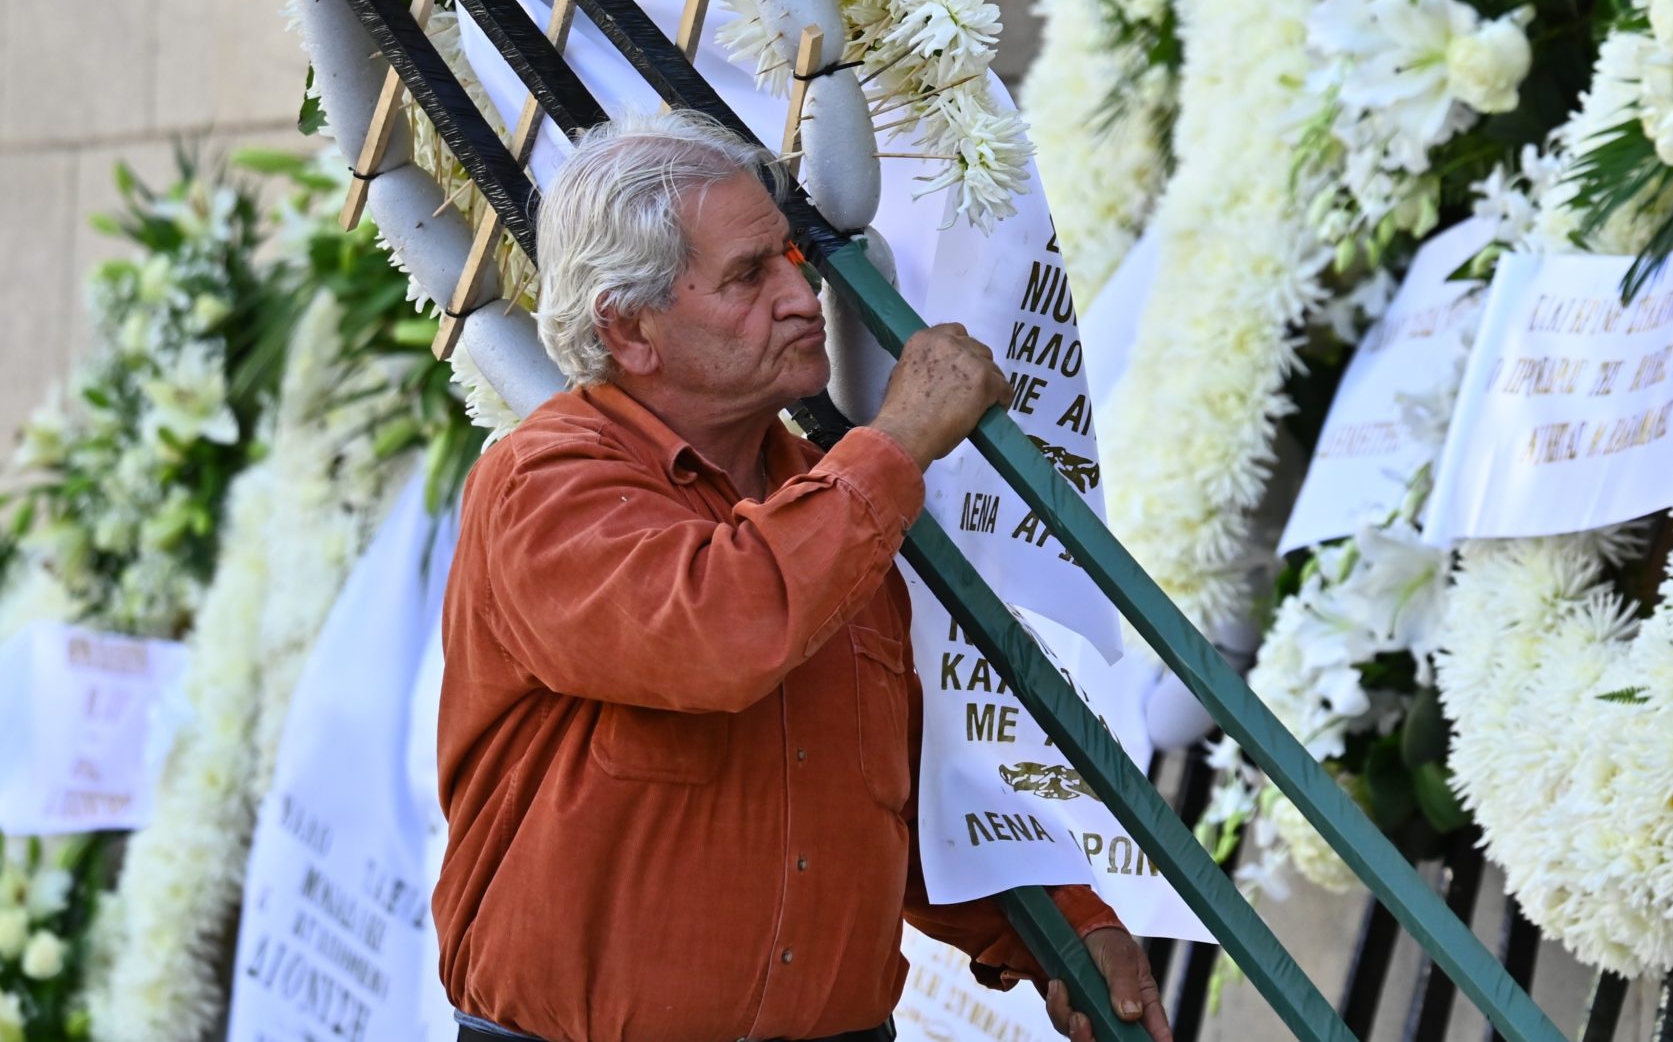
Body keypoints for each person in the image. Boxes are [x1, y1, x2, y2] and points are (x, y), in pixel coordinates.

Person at [434, 111, 1172, 1042]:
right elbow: (721, 629)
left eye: (790, 257)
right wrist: (897, 440)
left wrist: (1069, 927)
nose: (800, 294)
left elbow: (898, 794)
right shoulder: (547, 482)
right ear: (628, 330)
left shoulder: (829, 505)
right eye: (749, 275)